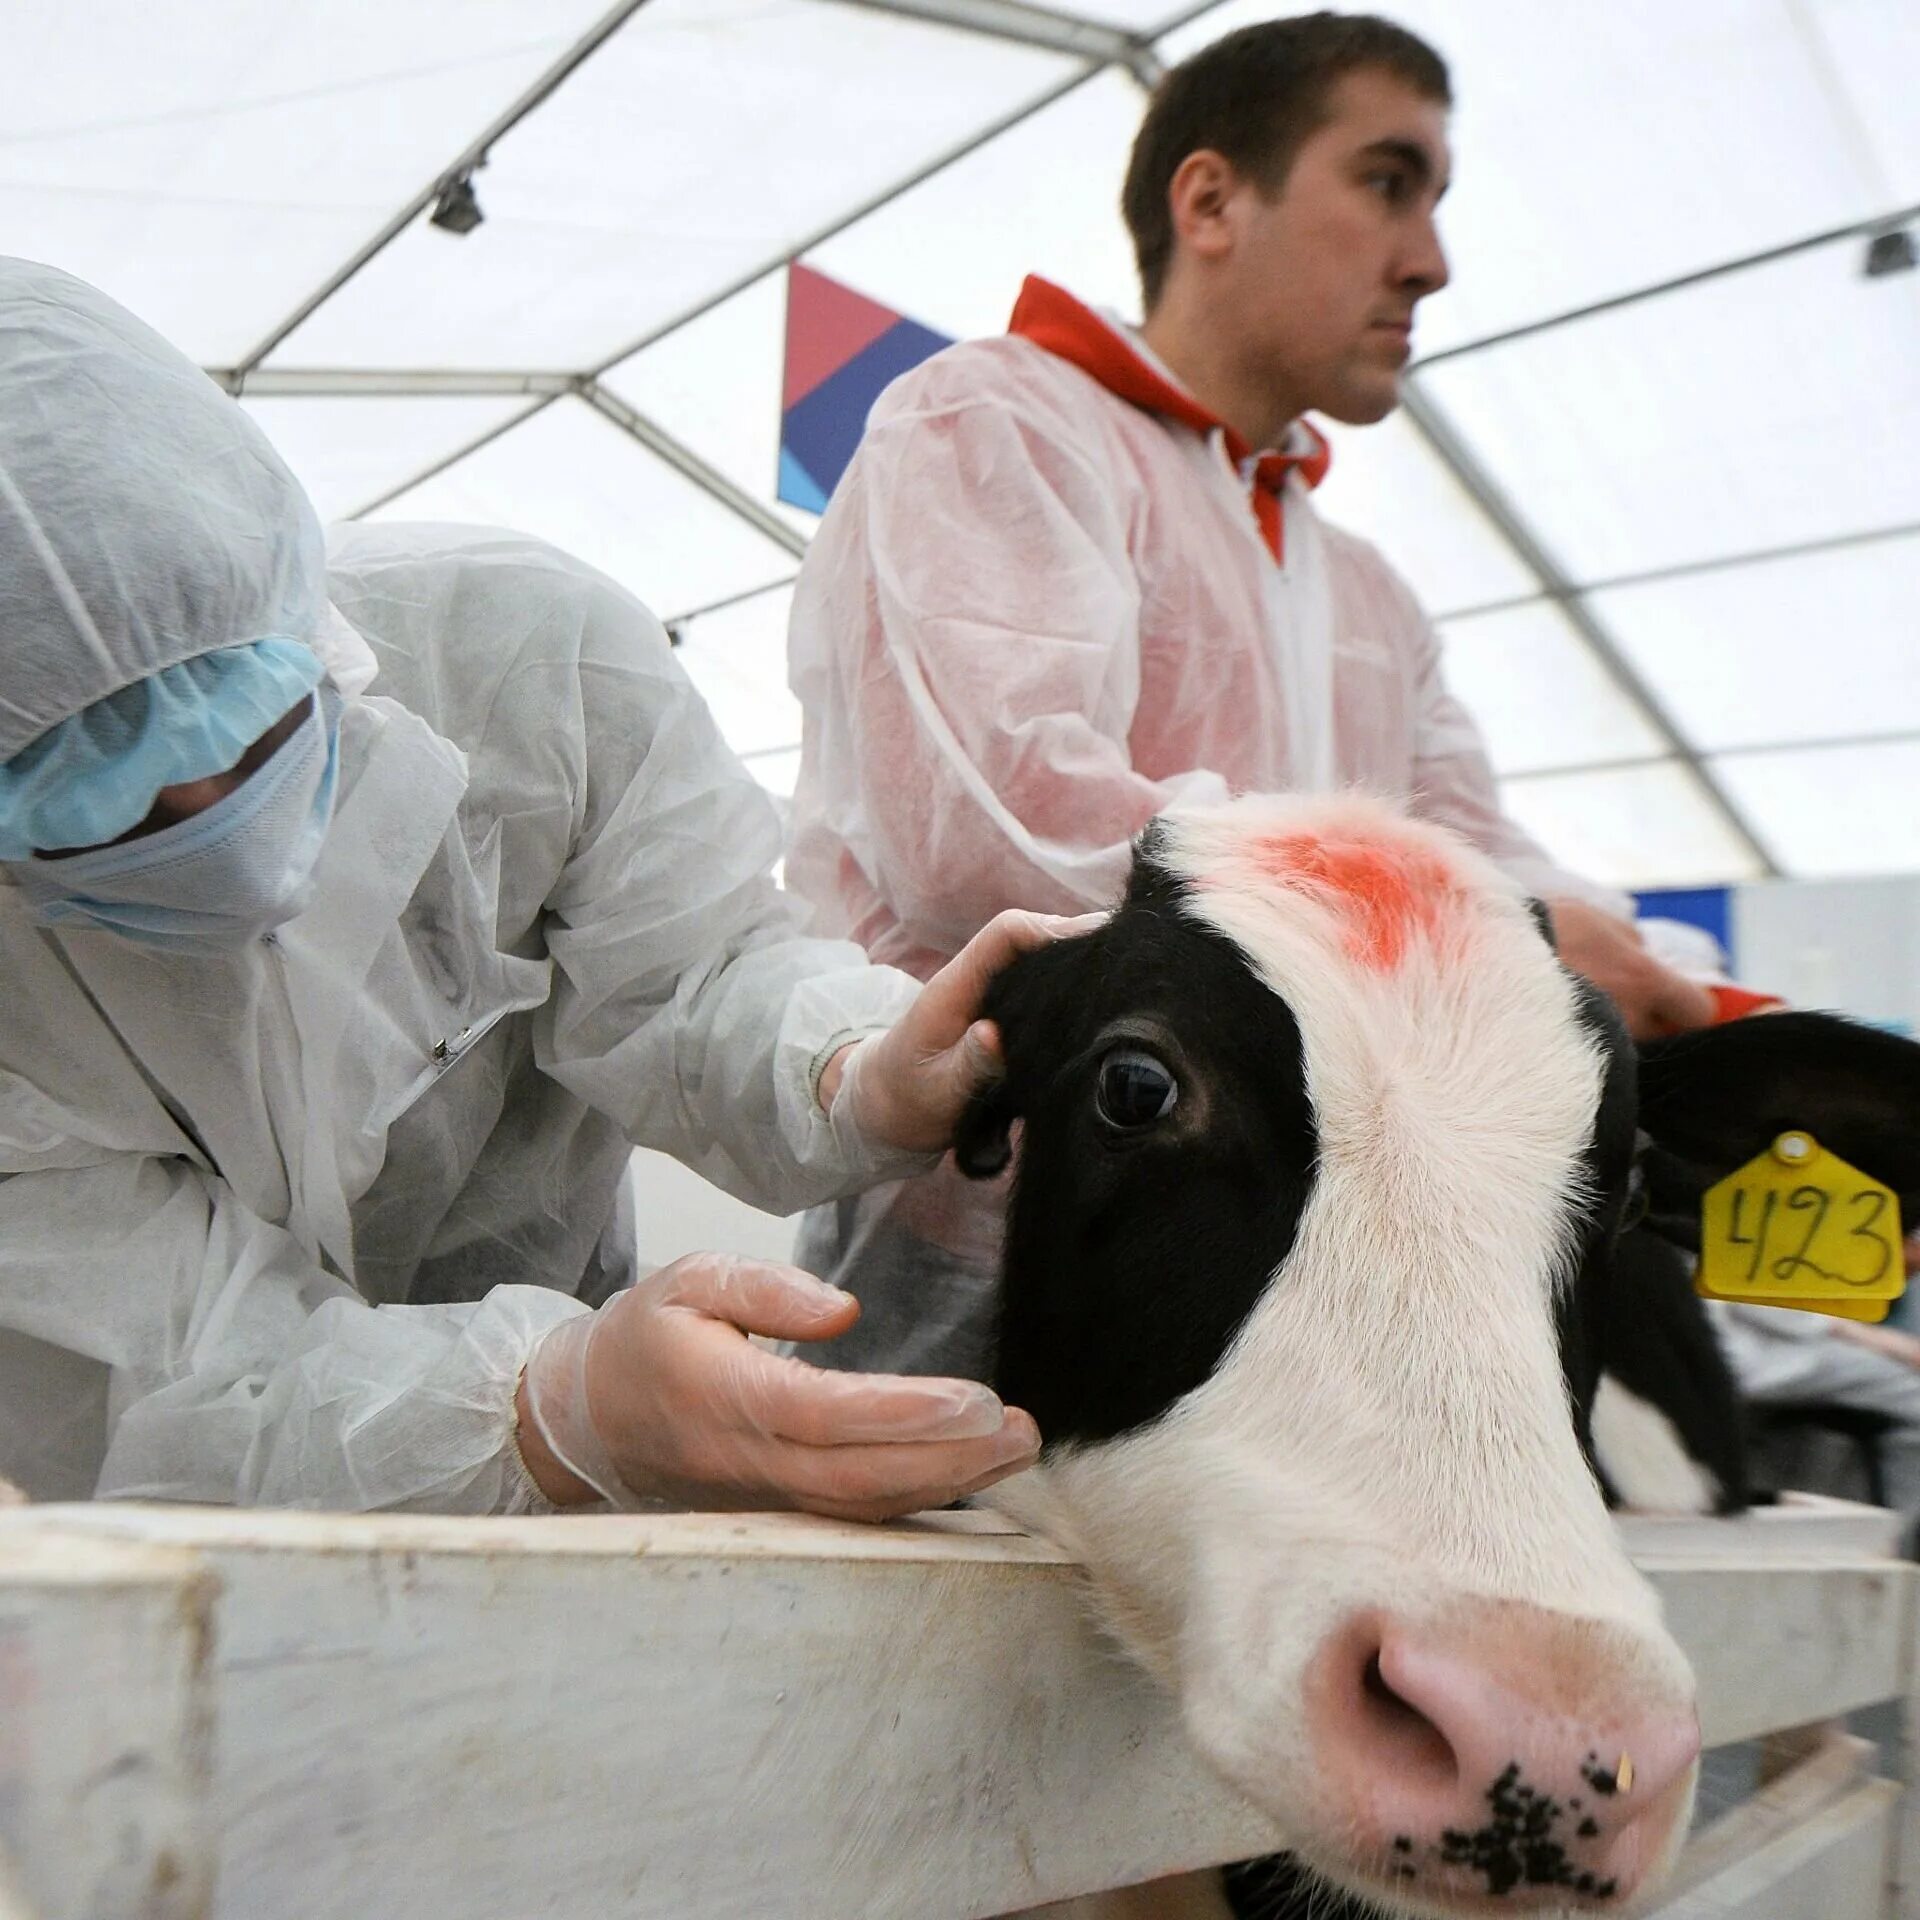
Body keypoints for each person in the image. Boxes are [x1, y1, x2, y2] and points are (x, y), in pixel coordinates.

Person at [0, 257, 1059, 1519]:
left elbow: (695, 974)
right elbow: (184, 1367)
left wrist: (852, 1067)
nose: (218, 833)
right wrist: (558, 1410)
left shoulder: (519, 657)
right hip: (198, 1550)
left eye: (257, 733)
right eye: (97, 813)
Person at [784, 11, 1717, 1378]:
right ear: (1211, 199)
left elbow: (1479, 849)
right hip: (992, 1256)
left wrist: (1687, 999)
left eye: (1438, 198)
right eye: (1388, 182)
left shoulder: (1369, 597)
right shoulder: (995, 426)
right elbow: (996, 835)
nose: (1433, 259)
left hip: (1302, 1289)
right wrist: (1490, 931)